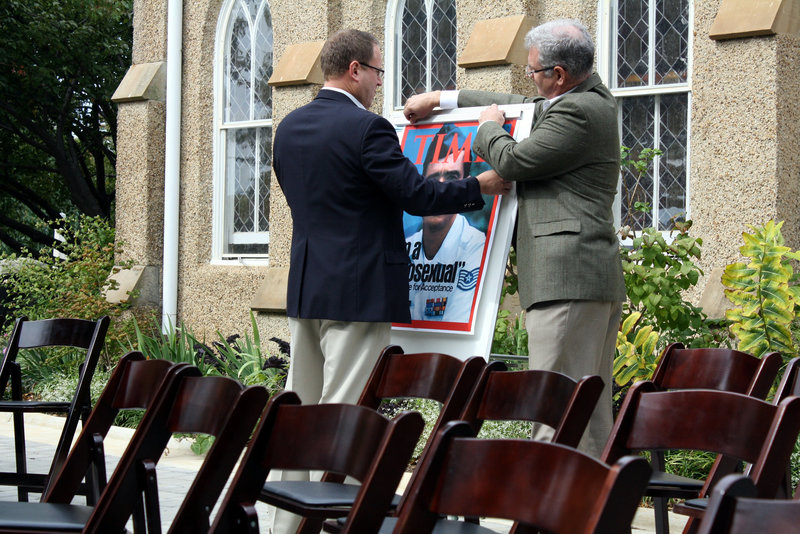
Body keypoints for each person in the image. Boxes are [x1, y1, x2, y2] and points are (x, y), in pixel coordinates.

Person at [271, 29, 509, 534]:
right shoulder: (368, 129)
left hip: (307, 287)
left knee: (300, 410)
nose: (380, 83)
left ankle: (287, 525)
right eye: (378, 72)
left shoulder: (288, 128)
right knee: (346, 416)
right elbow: (417, 195)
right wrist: (480, 185)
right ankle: (339, 521)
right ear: (355, 69)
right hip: (358, 293)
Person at [404, 19, 625, 457]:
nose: (531, 78)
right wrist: (444, 100)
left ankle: (546, 511)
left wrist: (486, 129)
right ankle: (595, 508)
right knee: (588, 408)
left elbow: (513, 160)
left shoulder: (577, 112)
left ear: (558, 74)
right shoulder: (585, 98)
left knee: (553, 405)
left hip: (566, 278)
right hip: (585, 276)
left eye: (534, 70)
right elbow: (519, 105)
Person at [406, 124, 486, 323]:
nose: (441, 189)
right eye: (433, 180)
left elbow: (457, 321)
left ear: (466, 185)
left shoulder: (476, 244)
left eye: (452, 179)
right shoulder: (404, 243)